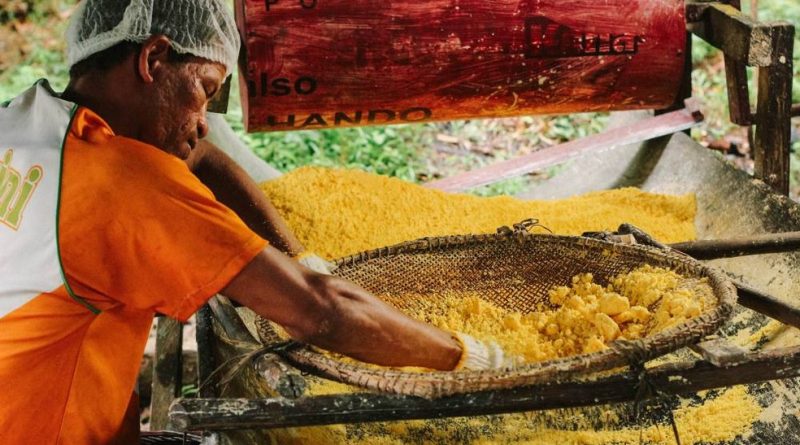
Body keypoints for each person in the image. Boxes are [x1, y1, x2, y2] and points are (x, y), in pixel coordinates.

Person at [0, 0, 512, 443]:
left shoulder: (24, 121)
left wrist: (294, 255)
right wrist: (474, 358)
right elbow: (320, 311)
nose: (204, 123)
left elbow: (197, 157)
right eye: (204, 89)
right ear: (153, 58)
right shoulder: (124, 182)